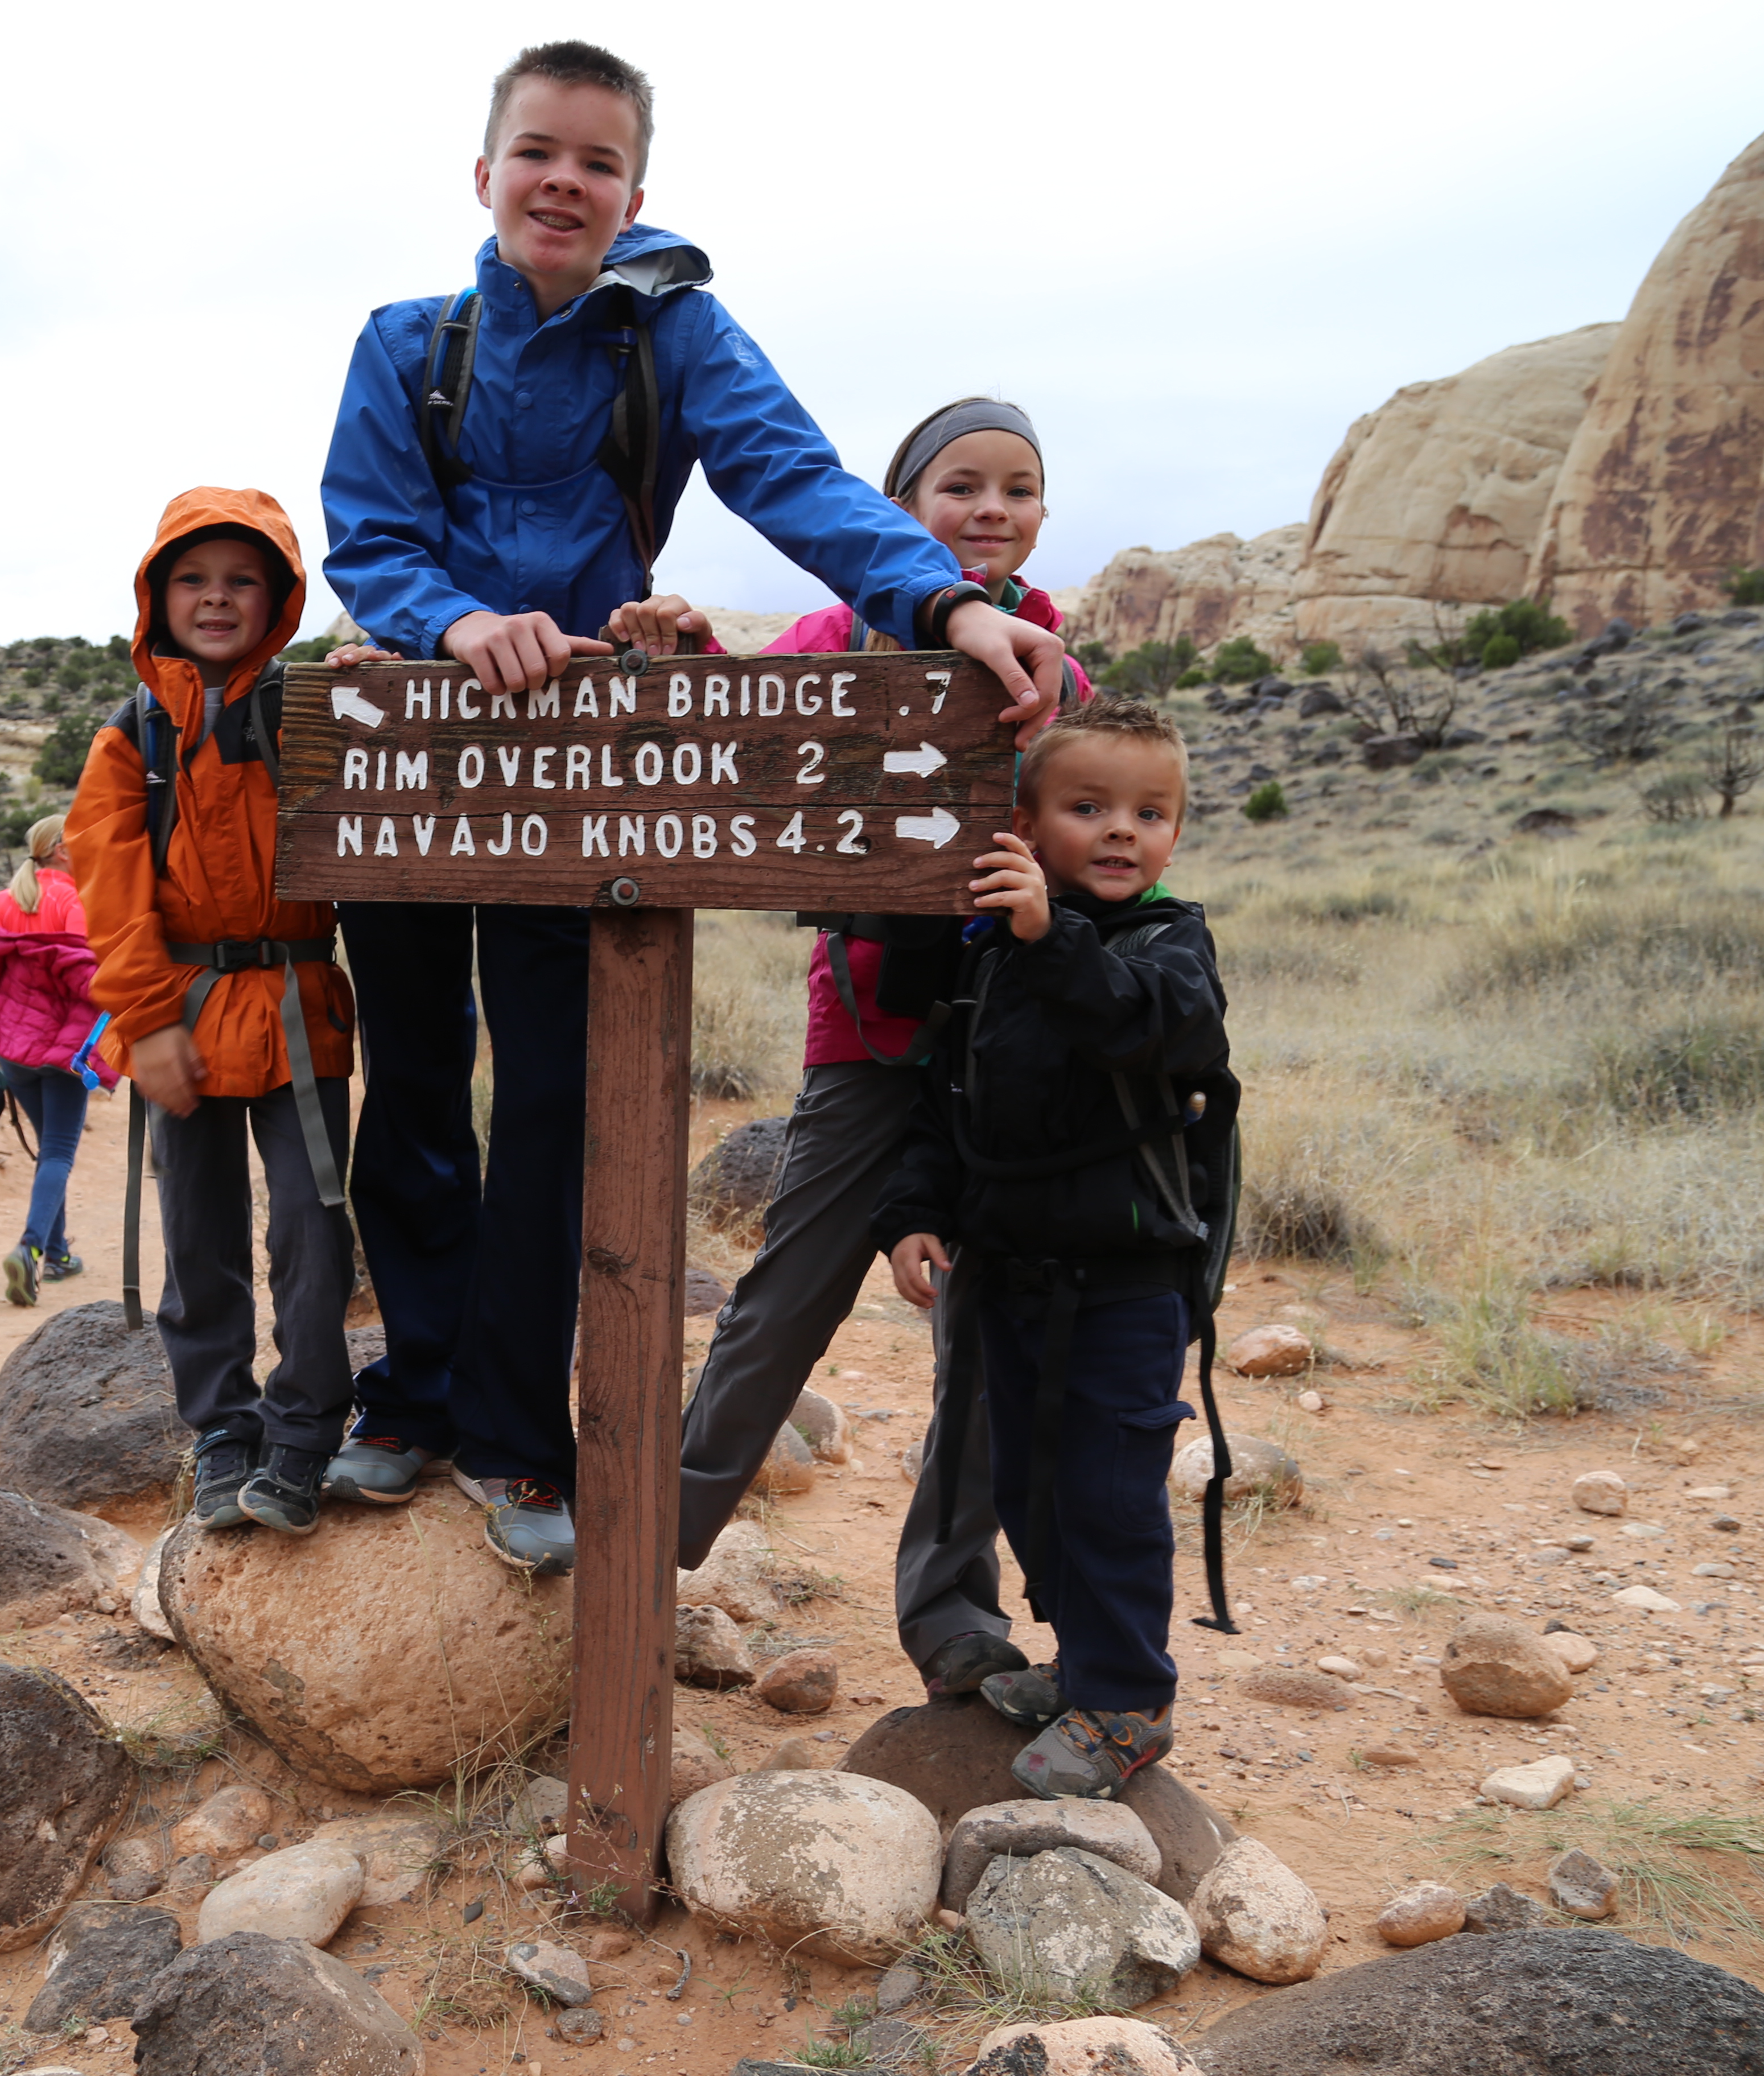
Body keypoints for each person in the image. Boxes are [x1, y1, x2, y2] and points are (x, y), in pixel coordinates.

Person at [315, 40, 1066, 1577]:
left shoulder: (676, 336)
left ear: (634, 193)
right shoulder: (406, 342)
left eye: (596, 163)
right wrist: (457, 622)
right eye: (538, 153)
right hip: (412, 756)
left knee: (544, 1109)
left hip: (582, 771)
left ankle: (519, 1436)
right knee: (409, 1090)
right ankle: (408, 1399)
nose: (564, 183)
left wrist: (942, 606)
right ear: (486, 174)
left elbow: (794, 476)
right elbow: (370, 534)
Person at [647, 398, 1092, 1709]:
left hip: (994, 1045)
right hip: (864, 1035)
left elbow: (1087, 822)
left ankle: (952, 1612)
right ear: (898, 508)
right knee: (787, 1295)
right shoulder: (841, 633)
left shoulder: (1047, 658)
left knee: (979, 1321)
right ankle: (648, 1545)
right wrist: (680, 650)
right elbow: (740, 712)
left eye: (1016, 488)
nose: (989, 510)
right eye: (959, 486)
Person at [872, 695, 1235, 1798]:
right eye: (1090, 807)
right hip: (1010, 1276)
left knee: (1111, 1495)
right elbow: (945, 1104)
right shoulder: (987, 958)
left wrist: (1051, 934)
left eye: (1152, 812)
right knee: (1028, 1484)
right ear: (1024, 827)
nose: (1126, 832)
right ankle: (1082, 1666)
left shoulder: (1169, 942)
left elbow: (1153, 1026)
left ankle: (1127, 1703)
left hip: (1128, 1286)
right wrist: (912, 1211)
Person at [67, 488, 357, 1538]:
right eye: (193, 579)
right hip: (177, 1011)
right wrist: (145, 1022)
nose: (217, 598)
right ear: (158, 597)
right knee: (198, 1236)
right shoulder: (130, 740)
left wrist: (376, 695)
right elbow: (110, 888)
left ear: (278, 599)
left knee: (312, 1232)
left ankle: (302, 1435)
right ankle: (222, 1431)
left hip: (294, 1005)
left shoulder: (313, 707)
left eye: (242, 579)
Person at [0, 813, 102, 1307]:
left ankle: (57, 1253)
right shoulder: (77, 903)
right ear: (60, 849)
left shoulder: (4, 900)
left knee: (47, 1150)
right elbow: (90, 984)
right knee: (58, 1152)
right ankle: (30, 1248)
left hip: (13, 1051)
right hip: (63, 1051)